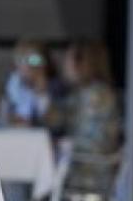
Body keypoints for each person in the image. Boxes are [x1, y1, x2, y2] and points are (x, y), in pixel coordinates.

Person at [50, 39, 122, 188]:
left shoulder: (98, 95)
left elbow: (96, 143)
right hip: (77, 164)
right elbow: (56, 120)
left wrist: (58, 145)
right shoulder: (78, 92)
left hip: (90, 170)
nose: (66, 66)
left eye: (70, 61)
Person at [2, 39, 64, 127]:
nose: (27, 65)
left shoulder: (56, 87)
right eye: (20, 59)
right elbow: (7, 118)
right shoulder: (14, 86)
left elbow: (55, 122)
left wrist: (41, 92)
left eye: (33, 59)